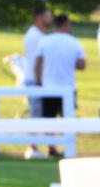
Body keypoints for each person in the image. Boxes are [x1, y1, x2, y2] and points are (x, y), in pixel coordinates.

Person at [34, 13, 83, 157]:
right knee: (68, 118)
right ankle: (69, 147)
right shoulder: (74, 42)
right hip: (68, 87)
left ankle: (51, 146)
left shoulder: (45, 41)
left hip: (48, 86)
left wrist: (39, 81)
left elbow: (38, 62)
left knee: (49, 118)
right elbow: (82, 64)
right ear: (67, 24)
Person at [22, 5, 52, 158]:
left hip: (39, 79)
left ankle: (47, 146)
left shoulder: (40, 35)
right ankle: (32, 147)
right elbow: (36, 62)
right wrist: (40, 81)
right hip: (35, 80)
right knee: (35, 112)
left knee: (42, 113)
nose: (50, 19)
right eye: (48, 16)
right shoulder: (34, 36)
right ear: (39, 17)